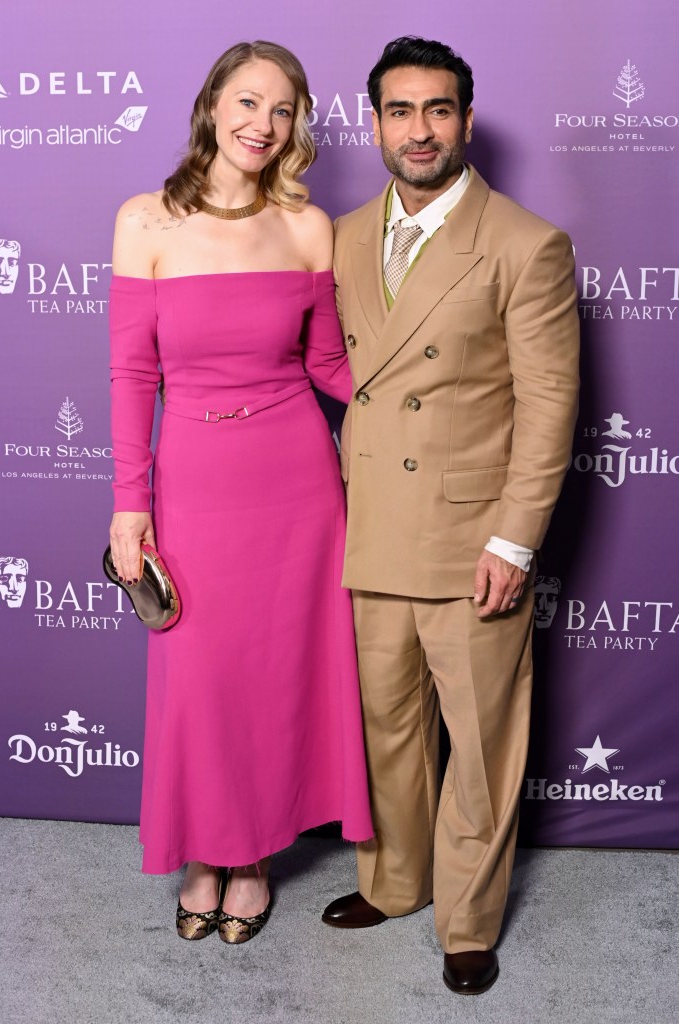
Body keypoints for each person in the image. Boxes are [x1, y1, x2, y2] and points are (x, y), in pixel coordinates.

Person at [321, 37, 580, 994]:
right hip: (370, 524)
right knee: (384, 726)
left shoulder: (523, 242)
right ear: (375, 125)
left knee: (478, 741)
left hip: (472, 539)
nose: (419, 130)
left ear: (466, 121)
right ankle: (395, 882)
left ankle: (467, 920)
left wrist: (514, 538)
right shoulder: (342, 235)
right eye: (400, 111)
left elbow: (549, 404)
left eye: (437, 109)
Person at [108, 40, 372, 945]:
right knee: (203, 677)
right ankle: (204, 851)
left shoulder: (307, 226)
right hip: (192, 479)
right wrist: (130, 502)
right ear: (213, 105)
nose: (263, 123)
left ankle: (252, 858)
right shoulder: (145, 221)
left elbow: (328, 364)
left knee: (274, 673)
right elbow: (131, 374)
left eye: (283, 109)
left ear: (296, 127)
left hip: (296, 484)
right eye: (249, 102)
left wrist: (424, 408)